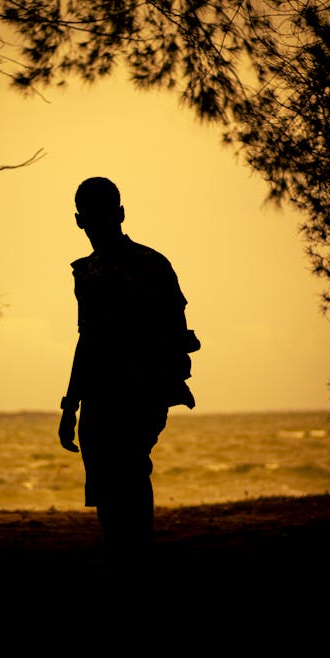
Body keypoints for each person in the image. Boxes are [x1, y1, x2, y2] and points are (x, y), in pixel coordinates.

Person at [58, 177, 200, 559]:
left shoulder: (131, 268)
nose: (97, 225)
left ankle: (131, 556)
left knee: (126, 480)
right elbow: (88, 341)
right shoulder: (97, 271)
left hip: (132, 395)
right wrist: (71, 405)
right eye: (95, 217)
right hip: (115, 397)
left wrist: (71, 406)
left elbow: (173, 332)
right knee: (117, 484)